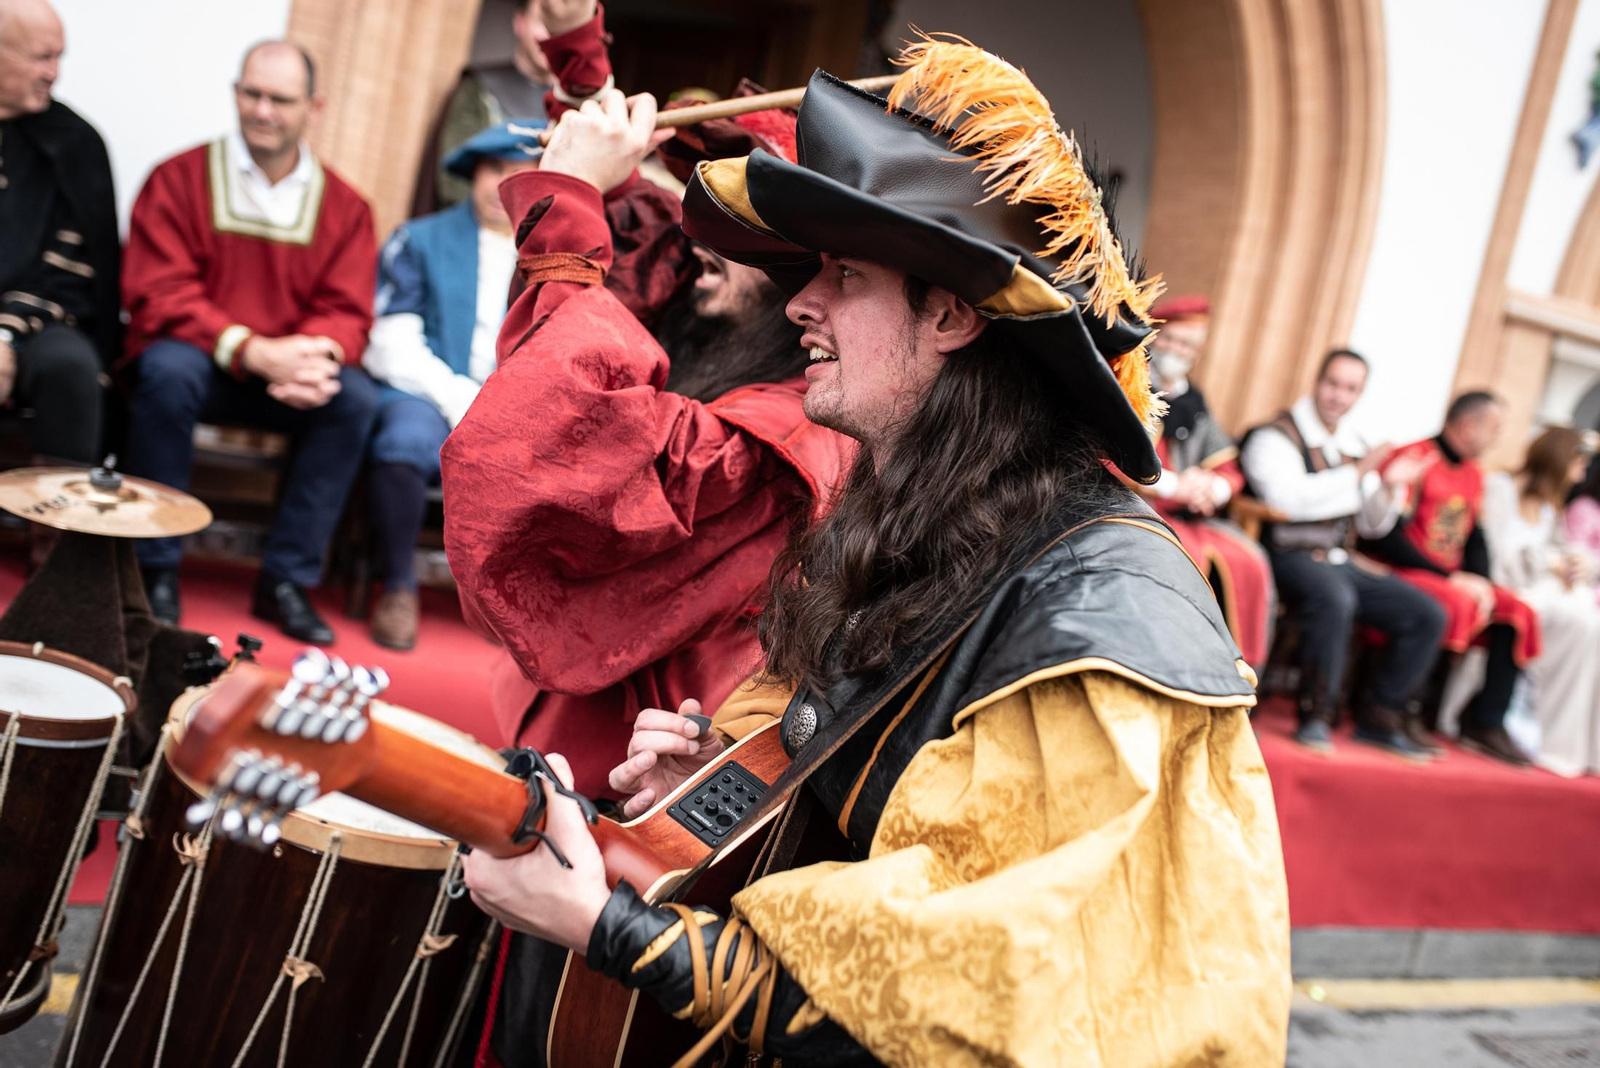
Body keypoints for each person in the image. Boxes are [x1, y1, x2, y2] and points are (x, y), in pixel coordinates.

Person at [463, 40, 1289, 1068]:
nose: (801, 304)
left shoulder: (1098, 622)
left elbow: (956, 1010)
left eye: (843, 274)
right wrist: (750, 782)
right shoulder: (930, 515)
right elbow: (891, 836)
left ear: (949, 314)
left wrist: (603, 925)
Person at [120, 40, 378, 643]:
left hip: (286, 378)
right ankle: (154, 568)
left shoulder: (346, 208)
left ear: (314, 107)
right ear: (236, 93)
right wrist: (247, 348)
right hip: (204, 363)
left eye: (280, 99)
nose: (262, 110)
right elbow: (157, 291)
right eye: (251, 93)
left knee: (354, 399)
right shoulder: (178, 178)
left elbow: (348, 311)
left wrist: (312, 356)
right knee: (165, 372)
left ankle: (284, 580)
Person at [362, 120, 544, 650]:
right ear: (472, 174)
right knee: (402, 442)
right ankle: (397, 586)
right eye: (493, 169)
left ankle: (506, 602)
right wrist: (457, 397)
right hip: (424, 391)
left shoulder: (551, 256)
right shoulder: (419, 239)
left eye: (519, 172)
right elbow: (391, 340)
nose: (502, 184)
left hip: (515, 402)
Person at [1240, 349, 1446, 757]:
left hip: (1338, 557)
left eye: (1350, 388)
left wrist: (1388, 486)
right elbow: (1287, 501)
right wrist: (1358, 474)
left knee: (1426, 613)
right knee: (1335, 597)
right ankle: (1315, 715)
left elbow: (1372, 525)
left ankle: (1380, 716)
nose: (1339, 396)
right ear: (1317, 382)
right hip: (1285, 554)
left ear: (1359, 394)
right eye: (1333, 383)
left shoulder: (1355, 444)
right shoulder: (1274, 436)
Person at [1362, 392, 1541, 766]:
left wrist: (1483, 582)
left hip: (1450, 576)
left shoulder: (1475, 473)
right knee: (1456, 602)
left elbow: (1475, 536)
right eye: (1494, 428)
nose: (1497, 437)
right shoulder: (1417, 458)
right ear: (1468, 425)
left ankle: (1486, 722)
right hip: (1402, 568)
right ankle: (1413, 709)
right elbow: (1387, 535)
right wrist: (1454, 577)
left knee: (1517, 610)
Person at [0, 0, 118, 468]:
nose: (55, 73)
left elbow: (67, 276)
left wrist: (5, 337)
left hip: (40, 321)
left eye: (59, 57)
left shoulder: (75, 143)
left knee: (71, 368)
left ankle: (57, 534)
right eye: (42, 57)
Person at [1141, 294, 1274, 666]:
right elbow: (1109, 455)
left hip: (1187, 515)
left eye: (1188, 345)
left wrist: (1211, 489)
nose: (1178, 350)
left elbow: (1229, 467)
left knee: (1249, 560)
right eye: (1171, 340)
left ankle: (1232, 674)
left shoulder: (1194, 400)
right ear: (1154, 337)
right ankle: (1165, 665)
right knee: (1183, 558)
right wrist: (1173, 486)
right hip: (1134, 508)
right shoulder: (1128, 381)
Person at [1472, 428, 1599, 775]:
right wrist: (1548, 562)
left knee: (1591, 623)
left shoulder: (1550, 506)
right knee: (1582, 623)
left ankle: (1571, 738)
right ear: (1557, 460)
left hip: (1539, 591)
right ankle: (1538, 727)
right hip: (1509, 589)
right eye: (1577, 464)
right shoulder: (1500, 490)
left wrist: (1575, 562)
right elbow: (1494, 557)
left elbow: (1558, 548)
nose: (1580, 474)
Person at [412, 0, 607, 214]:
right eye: (544, 23)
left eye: (564, 29)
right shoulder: (479, 88)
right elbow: (452, 181)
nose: (553, 36)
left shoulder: (590, 106)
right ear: (519, 23)